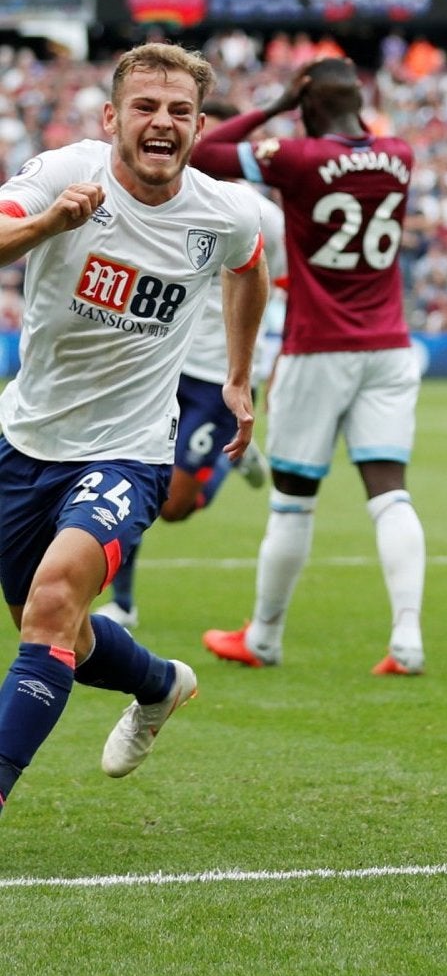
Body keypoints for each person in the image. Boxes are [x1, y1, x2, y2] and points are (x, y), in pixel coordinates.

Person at [0, 44, 267, 818]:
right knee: (57, 633)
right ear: (113, 118)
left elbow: (250, 266)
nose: (163, 122)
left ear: (197, 126)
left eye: (179, 111)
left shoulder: (222, 211)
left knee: (52, 606)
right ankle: (159, 684)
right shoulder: (62, 175)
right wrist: (52, 223)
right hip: (25, 441)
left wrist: (239, 375)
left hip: (129, 450)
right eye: (146, 107)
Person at [189, 58, 428, 676]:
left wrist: (272, 108)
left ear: (306, 104)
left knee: (293, 500)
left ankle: (264, 637)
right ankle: (407, 638)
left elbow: (205, 150)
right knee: (390, 493)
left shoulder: (296, 157)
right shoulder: (399, 153)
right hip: (390, 345)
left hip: (318, 347)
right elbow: (358, 141)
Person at [98, 98, 283, 630]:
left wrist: (257, 364)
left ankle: (230, 461)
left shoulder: (257, 218)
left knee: (176, 506)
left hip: (215, 377)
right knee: (127, 482)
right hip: (157, 364)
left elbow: (283, 283)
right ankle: (123, 602)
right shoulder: (150, 197)